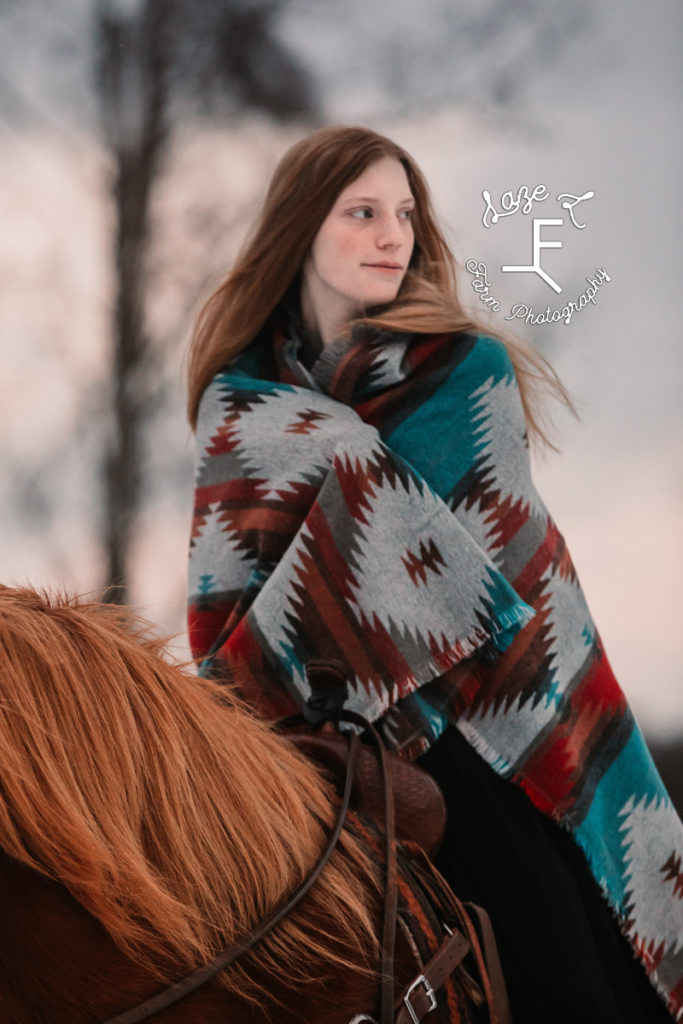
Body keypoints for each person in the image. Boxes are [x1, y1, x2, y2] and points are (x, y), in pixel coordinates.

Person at [185, 124, 682, 1023]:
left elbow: (476, 582)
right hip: (304, 757)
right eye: (363, 212)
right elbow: (224, 618)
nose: (391, 237)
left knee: (569, 984)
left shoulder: (464, 372)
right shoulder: (239, 408)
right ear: (300, 230)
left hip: (499, 734)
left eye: (405, 215)